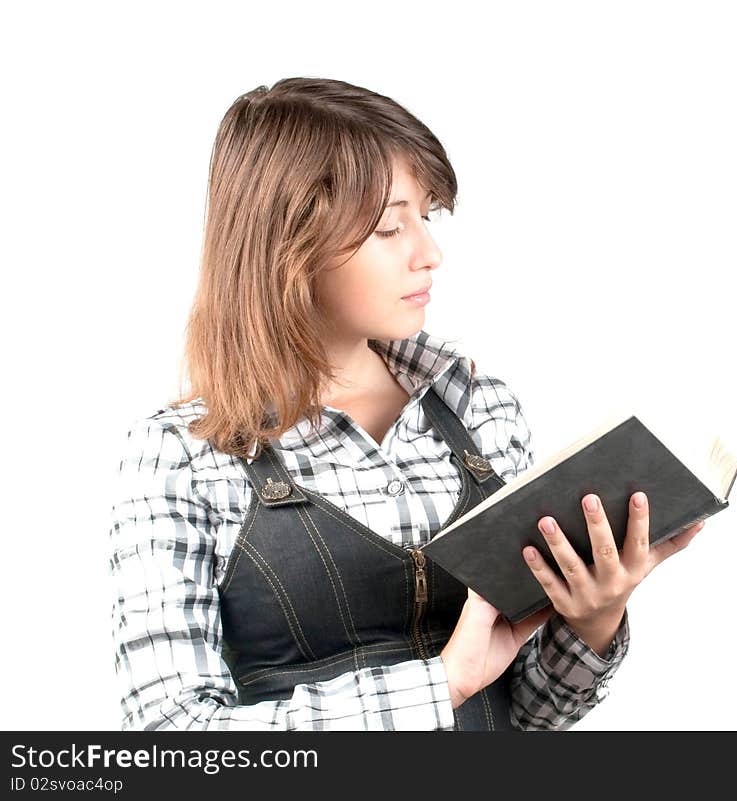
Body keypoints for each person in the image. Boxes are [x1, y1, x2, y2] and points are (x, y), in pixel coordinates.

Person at [108, 76, 706, 731]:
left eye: (427, 216)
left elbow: (530, 711)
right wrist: (441, 685)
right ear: (289, 243)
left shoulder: (481, 410)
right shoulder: (182, 456)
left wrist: (593, 619)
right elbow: (172, 735)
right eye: (391, 227)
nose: (430, 253)